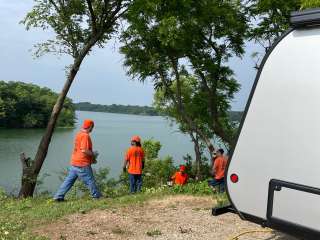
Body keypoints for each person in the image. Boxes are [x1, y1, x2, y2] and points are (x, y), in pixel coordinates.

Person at [53, 119, 102, 201]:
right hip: (82, 163)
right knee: (90, 180)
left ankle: (58, 196)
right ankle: (96, 196)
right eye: (92, 127)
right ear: (90, 127)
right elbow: (84, 150)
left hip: (74, 161)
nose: (92, 129)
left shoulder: (79, 134)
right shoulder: (85, 136)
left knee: (69, 181)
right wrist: (93, 154)